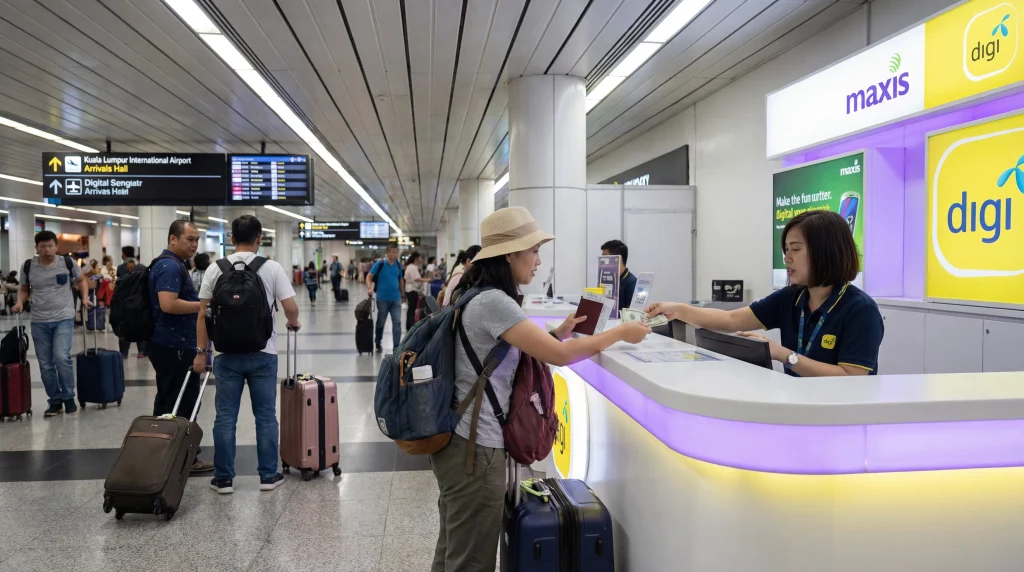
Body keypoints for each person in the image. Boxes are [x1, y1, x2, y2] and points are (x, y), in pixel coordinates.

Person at [431, 207, 649, 572]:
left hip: (458, 443)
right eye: (533, 250)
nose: (538, 260)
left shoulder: (475, 293)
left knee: (453, 549)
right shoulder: (495, 301)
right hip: (475, 450)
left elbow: (514, 348)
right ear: (509, 255)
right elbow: (559, 357)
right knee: (471, 561)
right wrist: (620, 333)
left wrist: (558, 332)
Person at [647, 210, 884, 376]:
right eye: (786, 249)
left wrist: (783, 355)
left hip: (841, 418)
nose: (787, 258)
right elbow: (730, 320)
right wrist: (678, 310)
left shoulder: (860, 310)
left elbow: (851, 377)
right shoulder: (791, 297)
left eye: (796, 249)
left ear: (826, 252)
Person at [195, 215, 300, 494]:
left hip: (225, 354)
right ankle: (268, 476)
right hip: (263, 353)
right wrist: (293, 322)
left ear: (231, 239)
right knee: (265, 416)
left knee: (225, 417)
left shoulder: (215, 268)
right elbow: (290, 307)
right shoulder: (271, 268)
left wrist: (201, 352)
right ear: (259, 239)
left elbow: (202, 314)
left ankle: (223, 479)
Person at [147, 220, 213, 473]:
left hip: (167, 343)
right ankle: (186, 460)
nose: (195, 245)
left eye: (197, 240)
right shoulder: (170, 266)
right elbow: (168, 304)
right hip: (174, 345)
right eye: (189, 239)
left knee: (167, 401)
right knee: (183, 403)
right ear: (173, 239)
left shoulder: (174, 263)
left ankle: (162, 454)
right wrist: (203, 305)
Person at [13, 232, 92, 416]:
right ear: (36, 248)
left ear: (56, 247)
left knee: (61, 357)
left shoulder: (67, 262)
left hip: (63, 318)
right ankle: (55, 401)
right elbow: (24, 289)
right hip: (39, 321)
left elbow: (81, 281)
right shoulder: (28, 266)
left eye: (50, 246)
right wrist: (20, 302)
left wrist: (85, 297)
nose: (47, 250)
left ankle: (68, 397)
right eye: (43, 246)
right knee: (45, 364)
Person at [367, 245, 404, 352]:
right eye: (392, 252)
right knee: (381, 322)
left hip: (396, 299)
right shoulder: (380, 264)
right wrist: (369, 288)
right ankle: (378, 342)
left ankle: (396, 346)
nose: (394, 254)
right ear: (387, 253)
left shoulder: (398, 265)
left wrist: (403, 294)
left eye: (396, 252)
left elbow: (401, 280)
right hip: (382, 299)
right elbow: (369, 276)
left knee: (397, 323)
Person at [116, 246, 147, 359]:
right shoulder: (142, 267)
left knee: (124, 327)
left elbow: (118, 286)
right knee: (141, 326)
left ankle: (124, 353)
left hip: (124, 303)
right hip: (140, 302)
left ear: (123, 255)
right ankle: (142, 351)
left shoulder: (120, 268)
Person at [600, 240, 636, 310]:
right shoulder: (608, 280)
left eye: (605, 258)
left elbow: (631, 313)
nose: (602, 262)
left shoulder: (632, 283)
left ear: (617, 259)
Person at [404, 252, 429, 330]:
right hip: (412, 290)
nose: (420, 260)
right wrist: (426, 280)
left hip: (409, 290)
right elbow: (416, 278)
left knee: (410, 309)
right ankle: (410, 326)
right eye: (420, 258)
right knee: (412, 309)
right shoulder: (413, 267)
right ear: (416, 258)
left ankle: (409, 325)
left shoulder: (409, 266)